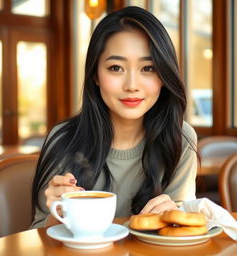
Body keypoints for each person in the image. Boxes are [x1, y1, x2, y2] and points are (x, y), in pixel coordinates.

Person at [31, 6, 197, 229]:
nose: (131, 86)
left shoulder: (181, 138)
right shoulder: (63, 138)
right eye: (116, 67)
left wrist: (173, 214)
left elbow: (181, 232)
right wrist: (57, 214)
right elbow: (36, 238)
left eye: (148, 68)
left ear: (164, 76)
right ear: (96, 75)